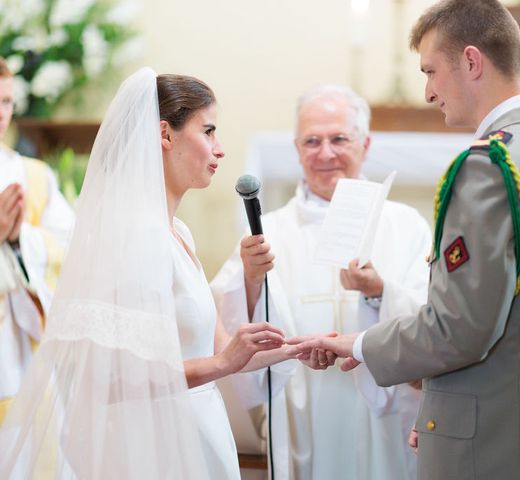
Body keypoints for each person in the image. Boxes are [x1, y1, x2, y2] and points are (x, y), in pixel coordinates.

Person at [292, 1, 520, 479]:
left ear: (471, 61)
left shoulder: (489, 168)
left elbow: (459, 329)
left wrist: (358, 345)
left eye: (431, 71)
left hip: (491, 446)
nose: (427, 92)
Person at [0, 67, 301, 479]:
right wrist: (222, 364)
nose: (220, 148)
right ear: (165, 134)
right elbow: (111, 380)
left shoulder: (178, 233)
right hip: (156, 446)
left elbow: (222, 348)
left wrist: (304, 347)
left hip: (200, 431)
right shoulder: (131, 237)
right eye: (208, 131)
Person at [212, 84, 431, 480]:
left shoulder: (406, 226)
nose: (325, 153)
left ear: (364, 144)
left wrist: (379, 291)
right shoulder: (270, 231)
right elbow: (226, 326)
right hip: (302, 403)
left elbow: (435, 321)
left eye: (338, 139)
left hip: (382, 414)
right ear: (297, 149)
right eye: (312, 141)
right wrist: (248, 278)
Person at [0, 57, 75, 424]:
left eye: (6, 101)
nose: (1, 112)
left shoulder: (34, 177)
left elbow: (71, 249)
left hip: (21, 353)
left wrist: (19, 239)